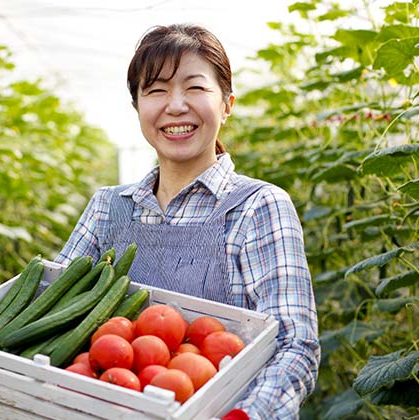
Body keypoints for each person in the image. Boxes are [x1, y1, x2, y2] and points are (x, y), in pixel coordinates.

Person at [54, 23, 320, 420]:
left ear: (227, 104)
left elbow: (294, 344)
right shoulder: (106, 207)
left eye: (194, 87)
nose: (175, 105)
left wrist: (244, 416)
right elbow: (54, 306)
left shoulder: (258, 206)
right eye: (156, 90)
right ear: (138, 108)